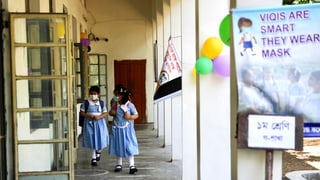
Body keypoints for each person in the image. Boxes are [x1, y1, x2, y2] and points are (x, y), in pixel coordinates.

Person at [109, 89, 139, 174]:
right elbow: (110, 112)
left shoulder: (130, 105)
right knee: (118, 145)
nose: (117, 97)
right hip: (117, 128)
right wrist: (112, 112)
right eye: (117, 95)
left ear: (123, 96)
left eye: (119, 95)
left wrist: (129, 117)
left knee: (129, 145)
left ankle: (131, 165)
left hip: (127, 129)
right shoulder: (115, 104)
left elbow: (136, 115)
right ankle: (119, 164)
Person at [80, 86, 109, 166]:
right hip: (90, 123)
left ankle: (98, 151)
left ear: (98, 94)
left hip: (100, 124)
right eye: (91, 94)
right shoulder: (86, 103)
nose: (93, 95)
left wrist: (99, 117)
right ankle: (93, 158)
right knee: (92, 139)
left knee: (101, 138)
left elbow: (105, 113)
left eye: (95, 94)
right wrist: (89, 116)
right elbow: (82, 112)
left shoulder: (101, 103)